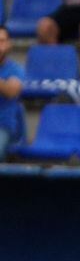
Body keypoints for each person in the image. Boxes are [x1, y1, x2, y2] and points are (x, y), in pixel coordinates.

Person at [0, 27, 24, 161]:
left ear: (9, 44)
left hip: (4, 127)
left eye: (2, 41)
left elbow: (11, 91)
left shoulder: (16, 69)